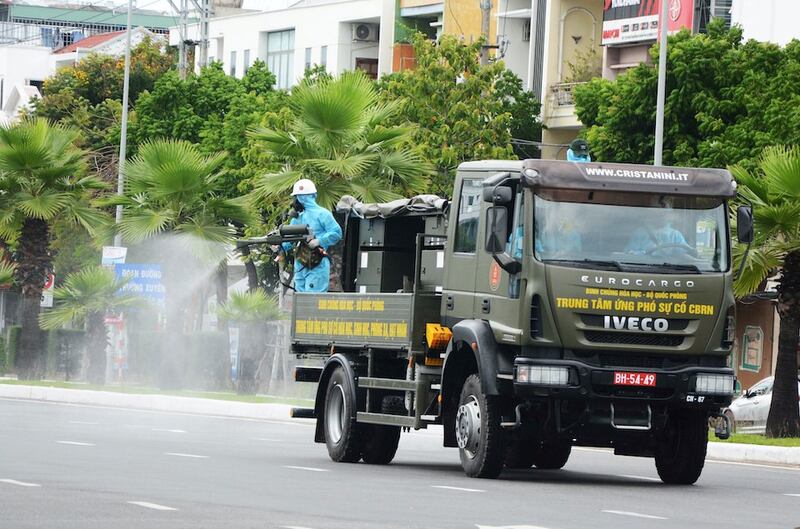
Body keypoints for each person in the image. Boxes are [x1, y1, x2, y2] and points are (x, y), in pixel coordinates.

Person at [280, 179, 342, 292]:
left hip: (317, 263)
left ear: (313, 196)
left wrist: (319, 241)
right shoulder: (298, 218)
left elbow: (336, 233)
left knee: (311, 301)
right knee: (300, 301)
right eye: (299, 196)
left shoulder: (323, 214)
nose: (302, 199)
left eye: (305, 196)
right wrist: (279, 246)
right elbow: (289, 240)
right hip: (300, 263)